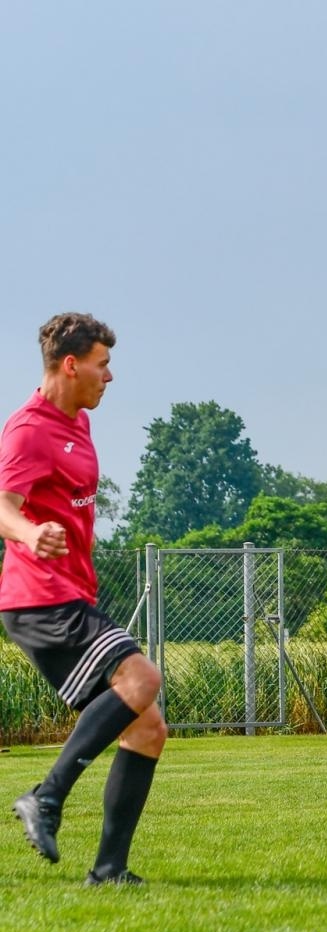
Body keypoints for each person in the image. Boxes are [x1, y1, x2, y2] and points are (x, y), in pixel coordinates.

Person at [3, 313, 166, 885]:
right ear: (71, 365)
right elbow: (3, 505)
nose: (110, 376)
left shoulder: (78, 423)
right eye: (103, 365)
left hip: (69, 594)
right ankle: (46, 798)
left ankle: (109, 870)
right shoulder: (28, 429)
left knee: (148, 729)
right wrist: (29, 533)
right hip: (38, 598)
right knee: (143, 679)